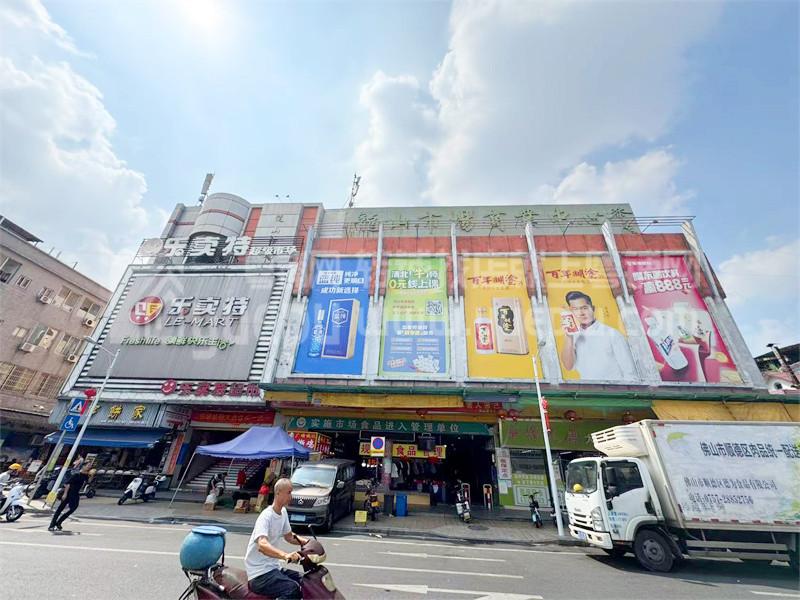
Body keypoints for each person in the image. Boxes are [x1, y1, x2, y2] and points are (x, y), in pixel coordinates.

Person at [245, 478, 308, 598]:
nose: (291, 496)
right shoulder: (266, 516)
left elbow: (289, 536)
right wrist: (285, 555)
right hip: (259, 574)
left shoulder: (283, 512)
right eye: (289, 492)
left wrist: (308, 543)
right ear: (278, 492)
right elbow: (262, 545)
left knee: (307, 581)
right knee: (292, 589)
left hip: (274, 568)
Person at [560, 291, 637, 381]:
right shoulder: (573, 336)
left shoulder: (612, 334)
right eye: (575, 309)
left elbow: (630, 372)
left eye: (584, 308)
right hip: (588, 388)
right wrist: (569, 336)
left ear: (593, 308)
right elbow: (568, 366)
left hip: (614, 387)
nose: (581, 313)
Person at [49, 464, 91, 532]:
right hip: (69, 492)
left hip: (75, 493)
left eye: (90, 466)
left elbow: (88, 482)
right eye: (88, 465)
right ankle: (52, 525)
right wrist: (65, 494)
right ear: (83, 466)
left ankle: (59, 522)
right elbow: (68, 484)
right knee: (60, 509)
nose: (89, 467)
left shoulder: (86, 475)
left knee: (73, 508)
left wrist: (91, 475)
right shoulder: (76, 474)